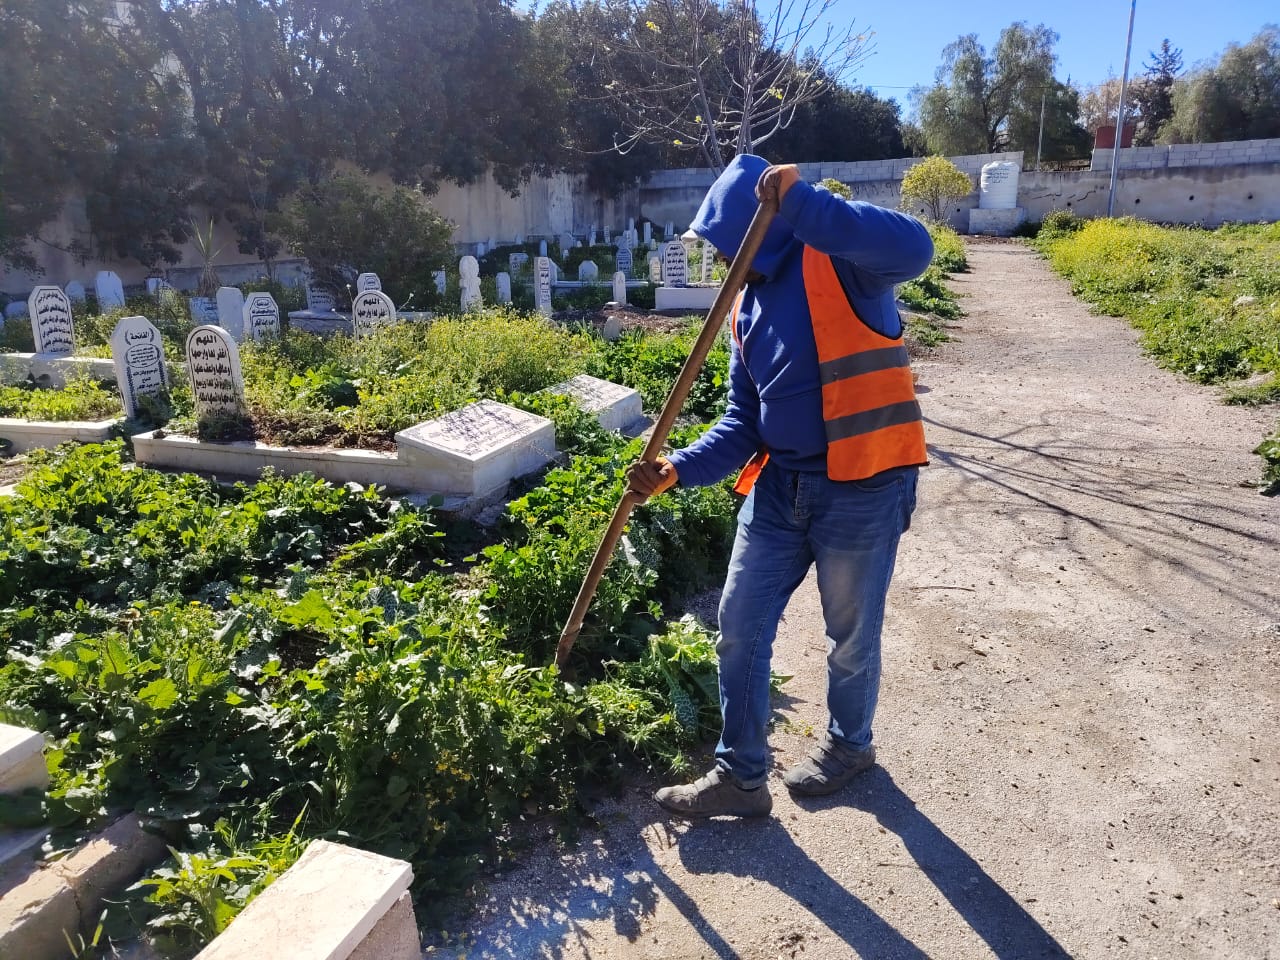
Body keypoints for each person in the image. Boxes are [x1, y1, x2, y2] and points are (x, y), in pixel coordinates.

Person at [627, 154, 933, 818]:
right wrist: (676, 469)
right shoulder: (745, 310)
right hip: (781, 490)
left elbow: (919, 246)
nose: (721, 260)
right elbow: (744, 423)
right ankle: (740, 776)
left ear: (759, 231)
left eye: (726, 245)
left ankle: (850, 746)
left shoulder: (846, 263)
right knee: (738, 626)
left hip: (865, 487)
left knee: (850, 637)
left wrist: (807, 205)